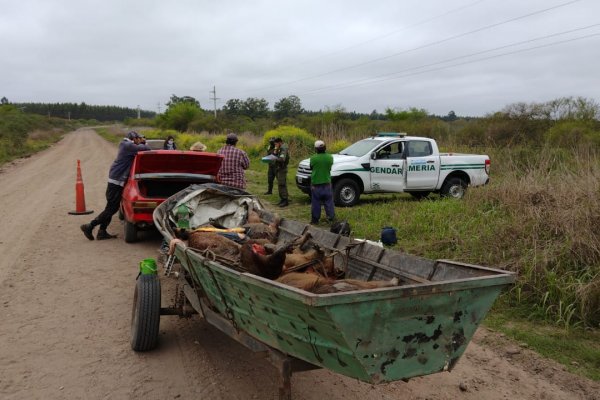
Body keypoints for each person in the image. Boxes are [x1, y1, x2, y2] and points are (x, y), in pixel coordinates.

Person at [80, 131, 151, 240]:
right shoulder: (127, 145)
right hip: (116, 182)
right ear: (134, 139)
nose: (139, 140)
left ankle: (102, 232)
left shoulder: (126, 145)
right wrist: (144, 143)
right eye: (138, 138)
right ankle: (90, 226)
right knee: (112, 208)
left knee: (110, 207)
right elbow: (146, 149)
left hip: (116, 180)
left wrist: (141, 142)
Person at [309, 140, 335, 224]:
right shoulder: (330, 157)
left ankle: (315, 220)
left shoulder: (313, 158)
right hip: (327, 182)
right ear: (325, 148)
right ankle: (330, 218)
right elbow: (329, 167)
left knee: (316, 202)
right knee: (329, 202)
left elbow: (311, 168)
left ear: (316, 149)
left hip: (316, 184)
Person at [272, 137, 290, 207]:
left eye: (276, 144)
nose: (275, 145)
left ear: (279, 142)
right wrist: (275, 150)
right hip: (279, 168)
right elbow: (275, 154)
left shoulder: (283, 148)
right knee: (280, 184)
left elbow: (282, 159)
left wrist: (274, 158)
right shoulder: (280, 148)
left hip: (282, 168)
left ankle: (285, 200)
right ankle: (282, 199)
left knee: (282, 184)